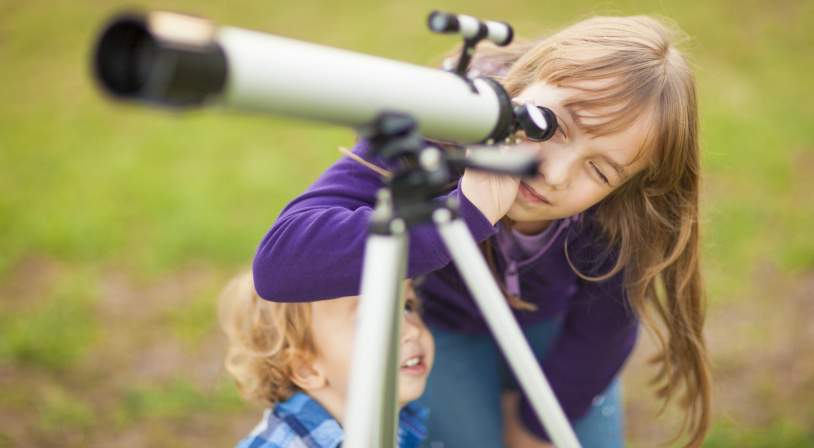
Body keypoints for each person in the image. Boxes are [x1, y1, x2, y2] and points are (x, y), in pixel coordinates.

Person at [253, 15, 711, 448]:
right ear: (523, 81)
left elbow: (603, 331)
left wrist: (533, 428)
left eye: (601, 171)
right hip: (443, 327)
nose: (556, 174)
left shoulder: (616, 214)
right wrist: (456, 215)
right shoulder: (435, 125)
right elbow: (279, 264)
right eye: (552, 127)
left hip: (553, 323)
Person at [218, 272, 435, 448]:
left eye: (407, 306)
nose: (412, 331)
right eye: (372, 317)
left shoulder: (400, 423)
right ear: (307, 370)